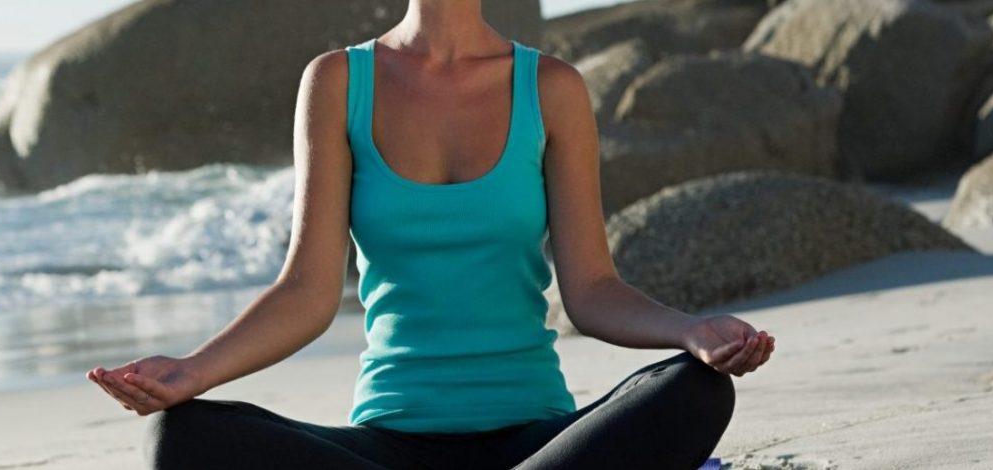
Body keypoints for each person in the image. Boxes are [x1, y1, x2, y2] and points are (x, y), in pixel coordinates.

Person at [88, 1, 776, 468]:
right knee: (182, 437)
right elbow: (305, 289)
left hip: (541, 440)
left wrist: (691, 332)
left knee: (696, 390)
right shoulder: (336, 81)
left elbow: (592, 290)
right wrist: (190, 372)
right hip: (387, 445)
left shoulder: (551, 87)